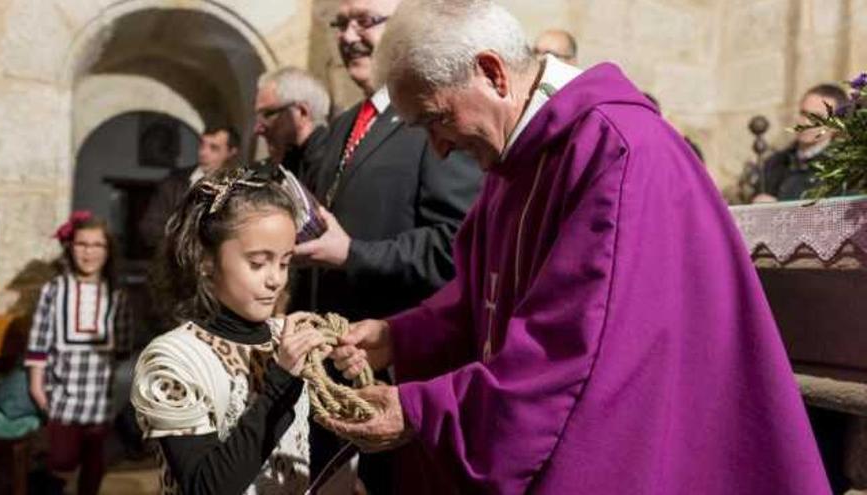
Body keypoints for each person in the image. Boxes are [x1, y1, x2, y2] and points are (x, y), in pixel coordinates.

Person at [321, 1, 832, 493]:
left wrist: (419, 410)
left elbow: (570, 347)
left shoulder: (616, 151)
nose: (439, 147)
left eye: (437, 119)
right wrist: (401, 336)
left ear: (493, 74)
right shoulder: (515, 158)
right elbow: (482, 291)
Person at [292, 0, 482, 490]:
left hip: (399, 383)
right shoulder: (343, 125)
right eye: (340, 22)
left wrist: (352, 254)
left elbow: (453, 248)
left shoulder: (431, 121)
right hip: (331, 377)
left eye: (366, 21)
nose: (349, 35)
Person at [131, 167, 330, 494]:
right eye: (257, 262)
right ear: (206, 261)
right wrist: (280, 381)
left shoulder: (285, 338)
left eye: (284, 262)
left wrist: (344, 378)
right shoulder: (172, 359)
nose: (275, 279)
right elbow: (206, 487)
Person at [24, 211, 132, 495]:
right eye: (82, 244)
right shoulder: (54, 290)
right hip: (61, 395)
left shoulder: (117, 295)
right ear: (71, 248)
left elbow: (123, 348)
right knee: (61, 461)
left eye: (97, 245)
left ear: (108, 250)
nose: (89, 252)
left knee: (94, 465)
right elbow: (39, 341)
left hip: (101, 399)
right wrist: (37, 386)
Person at [139, 125, 241, 251]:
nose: (203, 153)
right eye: (202, 145)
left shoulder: (240, 188)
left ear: (231, 152)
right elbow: (149, 228)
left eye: (213, 148)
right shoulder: (173, 182)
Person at [753, 83, 848, 202]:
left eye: (817, 117)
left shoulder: (844, 169)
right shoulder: (774, 163)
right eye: (803, 113)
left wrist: (778, 209)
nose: (805, 123)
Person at [255, 67, 332, 187]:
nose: (258, 129)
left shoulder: (331, 167)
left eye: (268, 114)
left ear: (302, 112)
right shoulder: (285, 166)